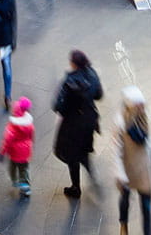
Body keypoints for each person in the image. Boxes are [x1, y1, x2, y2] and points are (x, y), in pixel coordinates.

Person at [52, 50, 103, 198]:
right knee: (84, 150)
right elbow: (99, 95)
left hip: (72, 124)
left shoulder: (70, 81)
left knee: (70, 154)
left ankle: (75, 187)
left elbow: (58, 106)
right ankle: (91, 173)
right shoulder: (92, 74)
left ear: (73, 64)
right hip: (89, 120)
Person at [114, 87, 151, 235]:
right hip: (127, 167)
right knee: (125, 199)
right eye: (138, 104)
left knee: (146, 204)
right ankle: (123, 225)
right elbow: (117, 150)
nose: (142, 106)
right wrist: (120, 173)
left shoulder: (143, 115)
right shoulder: (121, 121)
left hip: (143, 167)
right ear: (130, 105)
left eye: (142, 103)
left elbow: (147, 138)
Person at [0, 96, 36, 199]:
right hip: (25, 152)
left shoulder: (12, 127)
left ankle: (15, 181)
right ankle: (26, 187)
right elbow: (31, 136)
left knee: (12, 168)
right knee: (24, 169)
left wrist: (2, 152)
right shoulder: (29, 124)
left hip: (14, 153)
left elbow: (7, 140)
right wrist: (31, 145)